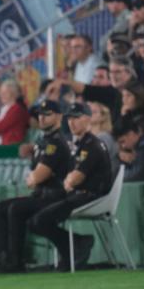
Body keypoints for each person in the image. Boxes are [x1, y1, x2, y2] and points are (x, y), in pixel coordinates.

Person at [0, 99, 72, 274]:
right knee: (1, 207)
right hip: (41, 194)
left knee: (16, 208)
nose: (42, 118)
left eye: (48, 114)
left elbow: (37, 177)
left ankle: (16, 261)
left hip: (55, 196)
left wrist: (33, 177)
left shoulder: (56, 142)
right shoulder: (43, 141)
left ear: (59, 116)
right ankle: (2, 256)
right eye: (40, 114)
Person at [27, 102, 113, 271]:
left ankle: (79, 245)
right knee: (35, 220)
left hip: (90, 196)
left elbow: (75, 178)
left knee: (39, 220)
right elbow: (70, 178)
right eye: (70, 119)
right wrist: (69, 181)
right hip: (77, 195)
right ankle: (72, 252)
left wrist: (69, 182)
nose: (72, 123)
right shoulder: (79, 145)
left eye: (77, 118)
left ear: (88, 119)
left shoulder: (91, 145)